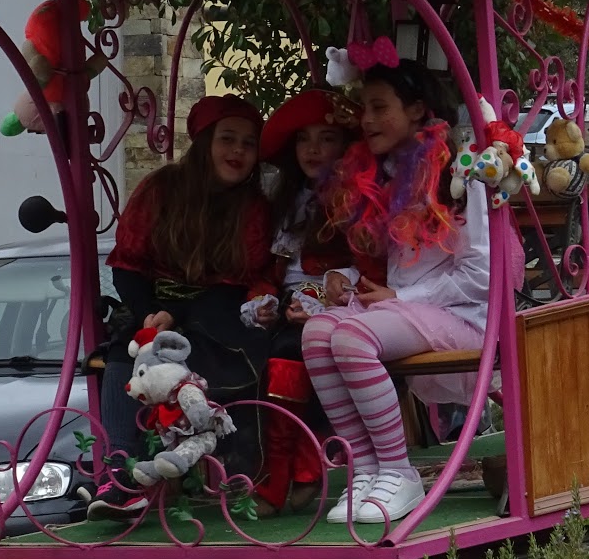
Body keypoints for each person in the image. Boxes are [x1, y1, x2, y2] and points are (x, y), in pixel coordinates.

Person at [305, 60, 492, 524]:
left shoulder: (462, 173)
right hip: (405, 313)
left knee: (352, 338)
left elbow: (482, 274)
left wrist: (401, 299)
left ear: (416, 110)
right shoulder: (387, 173)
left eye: (379, 107)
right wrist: (346, 278)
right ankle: (365, 469)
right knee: (316, 333)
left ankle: (397, 469)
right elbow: (394, 267)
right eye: (363, 107)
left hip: (465, 317)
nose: (366, 119)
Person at [90, 94, 277, 517]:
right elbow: (127, 265)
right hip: (152, 303)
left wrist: (177, 317)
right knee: (127, 351)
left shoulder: (254, 208)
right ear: (206, 142)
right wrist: (147, 315)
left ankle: (226, 473)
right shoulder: (160, 189)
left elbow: (239, 283)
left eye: (248, 143)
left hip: (219, 311)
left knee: (212, 353)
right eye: (227, 139)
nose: (238, 151)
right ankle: (119, 473)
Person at [245, 88, 384, 517]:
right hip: (290, 307)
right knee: (260, 353)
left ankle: (296, 465)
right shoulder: (285, 202)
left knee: (293, 351)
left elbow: (375, 263)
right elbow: (268, 271)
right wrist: (262, 302)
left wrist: (330, 291)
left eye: (326, 138)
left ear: (345, 146)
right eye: (304, 139)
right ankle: (289, 466)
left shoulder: (359, 196)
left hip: (345, 306)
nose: (313, 149)